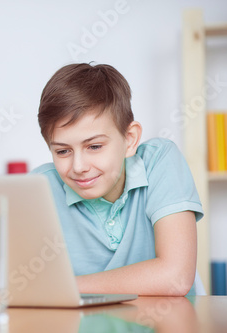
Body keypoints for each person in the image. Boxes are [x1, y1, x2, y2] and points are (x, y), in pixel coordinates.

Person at [31, 63, 203, 296]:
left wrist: (65, 287)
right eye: (63, 151)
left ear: (130, 139)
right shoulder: (38, 190)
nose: (79, 167)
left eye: (94, 146)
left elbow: (176, 277)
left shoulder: (159, 161)